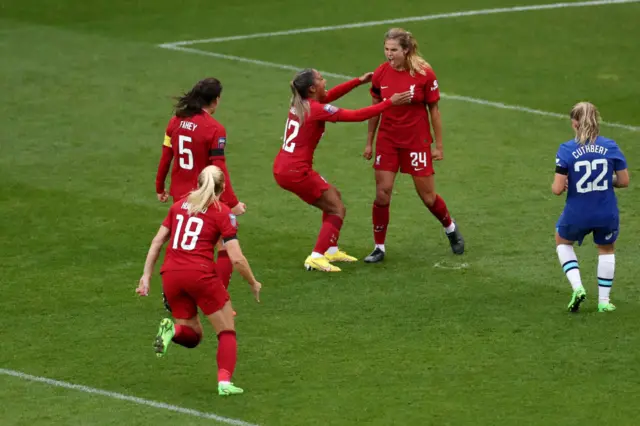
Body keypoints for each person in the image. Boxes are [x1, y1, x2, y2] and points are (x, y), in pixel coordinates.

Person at [136, 166, 262, 396]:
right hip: (200, 275)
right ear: (223, 187)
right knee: (226, 331)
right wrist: (253, 282)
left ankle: (172, 330)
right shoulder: (223, 212)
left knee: (193, 336)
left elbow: (157, 242)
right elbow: (236, 258)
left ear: (198, 182)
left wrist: (146, 276)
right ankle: (224, 382)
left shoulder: (178, 206)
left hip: (171, 275)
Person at [273, 68, 412, 272]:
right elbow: (356, 116)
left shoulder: (300, 103)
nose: (325, 80)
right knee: (336, 208)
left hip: (285, 167)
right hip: (296, 171)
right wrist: (390, 102)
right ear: (312, 88)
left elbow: (328, 96)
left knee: (334, 196)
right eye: (321, 79)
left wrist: (358, 81)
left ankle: (330, 249)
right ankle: (317, 256)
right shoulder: (316, 109)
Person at [363, 28, 464, 263]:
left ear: (406, 50)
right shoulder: (380, 74)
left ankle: (450, 228)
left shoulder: (424, 74)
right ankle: (379, 247)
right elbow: (374, 110)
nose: (389, 54)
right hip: (388, 140)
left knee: (428, 197)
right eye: (386, 49)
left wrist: (438, 145)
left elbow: (434, 111)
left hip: (416, 142)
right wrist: (369, 141)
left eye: (394, 50)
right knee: (382, 193)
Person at [155, 77, 245, 289]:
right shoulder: (214, 129)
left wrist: (160, 187)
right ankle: (218, 295)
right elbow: (219, 169)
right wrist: (233, 203)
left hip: (180, 197)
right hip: (204, 196)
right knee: (224, 244)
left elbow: (166, 158)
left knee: (181, 244)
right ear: (215, 100)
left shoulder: (175, 121)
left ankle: (172, 288)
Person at [552, 102, 629, 313]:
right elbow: (623, 181)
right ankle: (604, 301)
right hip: (606, 212)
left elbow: (558, 189)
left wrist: (566, 182)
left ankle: (578, 288)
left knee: (562, 241)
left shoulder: (566, 149)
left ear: (576, 124)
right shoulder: (611, 146)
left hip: (578, 212)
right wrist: (605, 179)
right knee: (606, 250)